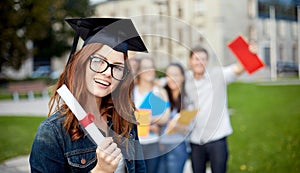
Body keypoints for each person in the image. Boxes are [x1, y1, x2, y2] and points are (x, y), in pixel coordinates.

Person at [29, 17, 148, 173]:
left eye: (117, 67)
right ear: (81, 63)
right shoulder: (52, 133)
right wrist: (100, 170)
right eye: (98, 60)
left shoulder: (125, 120)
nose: (107, 73)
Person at [185, 45, 245, 173]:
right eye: (196, 59)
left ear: (207, 61)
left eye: (203, 59)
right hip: (196, 139)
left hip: (217, 138)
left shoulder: (218, 75)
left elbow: (238, 69)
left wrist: (248, 54)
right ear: (190, 61)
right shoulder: (186, 79)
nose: (199, 62)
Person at [133, 55, 170, 173]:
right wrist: (150, 121)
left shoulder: (159, 91)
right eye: (145, 67)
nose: (149, 70)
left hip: (152, 143)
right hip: (134, 144)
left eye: (151, 67)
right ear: (139, 71)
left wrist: (142, 120)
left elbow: (165, 118)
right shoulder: (131, 90)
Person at [158, 63, 193, 173]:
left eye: (176, 75)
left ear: (183, 77)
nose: (172, 78)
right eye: (169, 75)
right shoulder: (161, 94)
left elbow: (189, 129)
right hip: (159, 146)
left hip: (177, 146)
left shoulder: (187, 100)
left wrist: (177, 127)